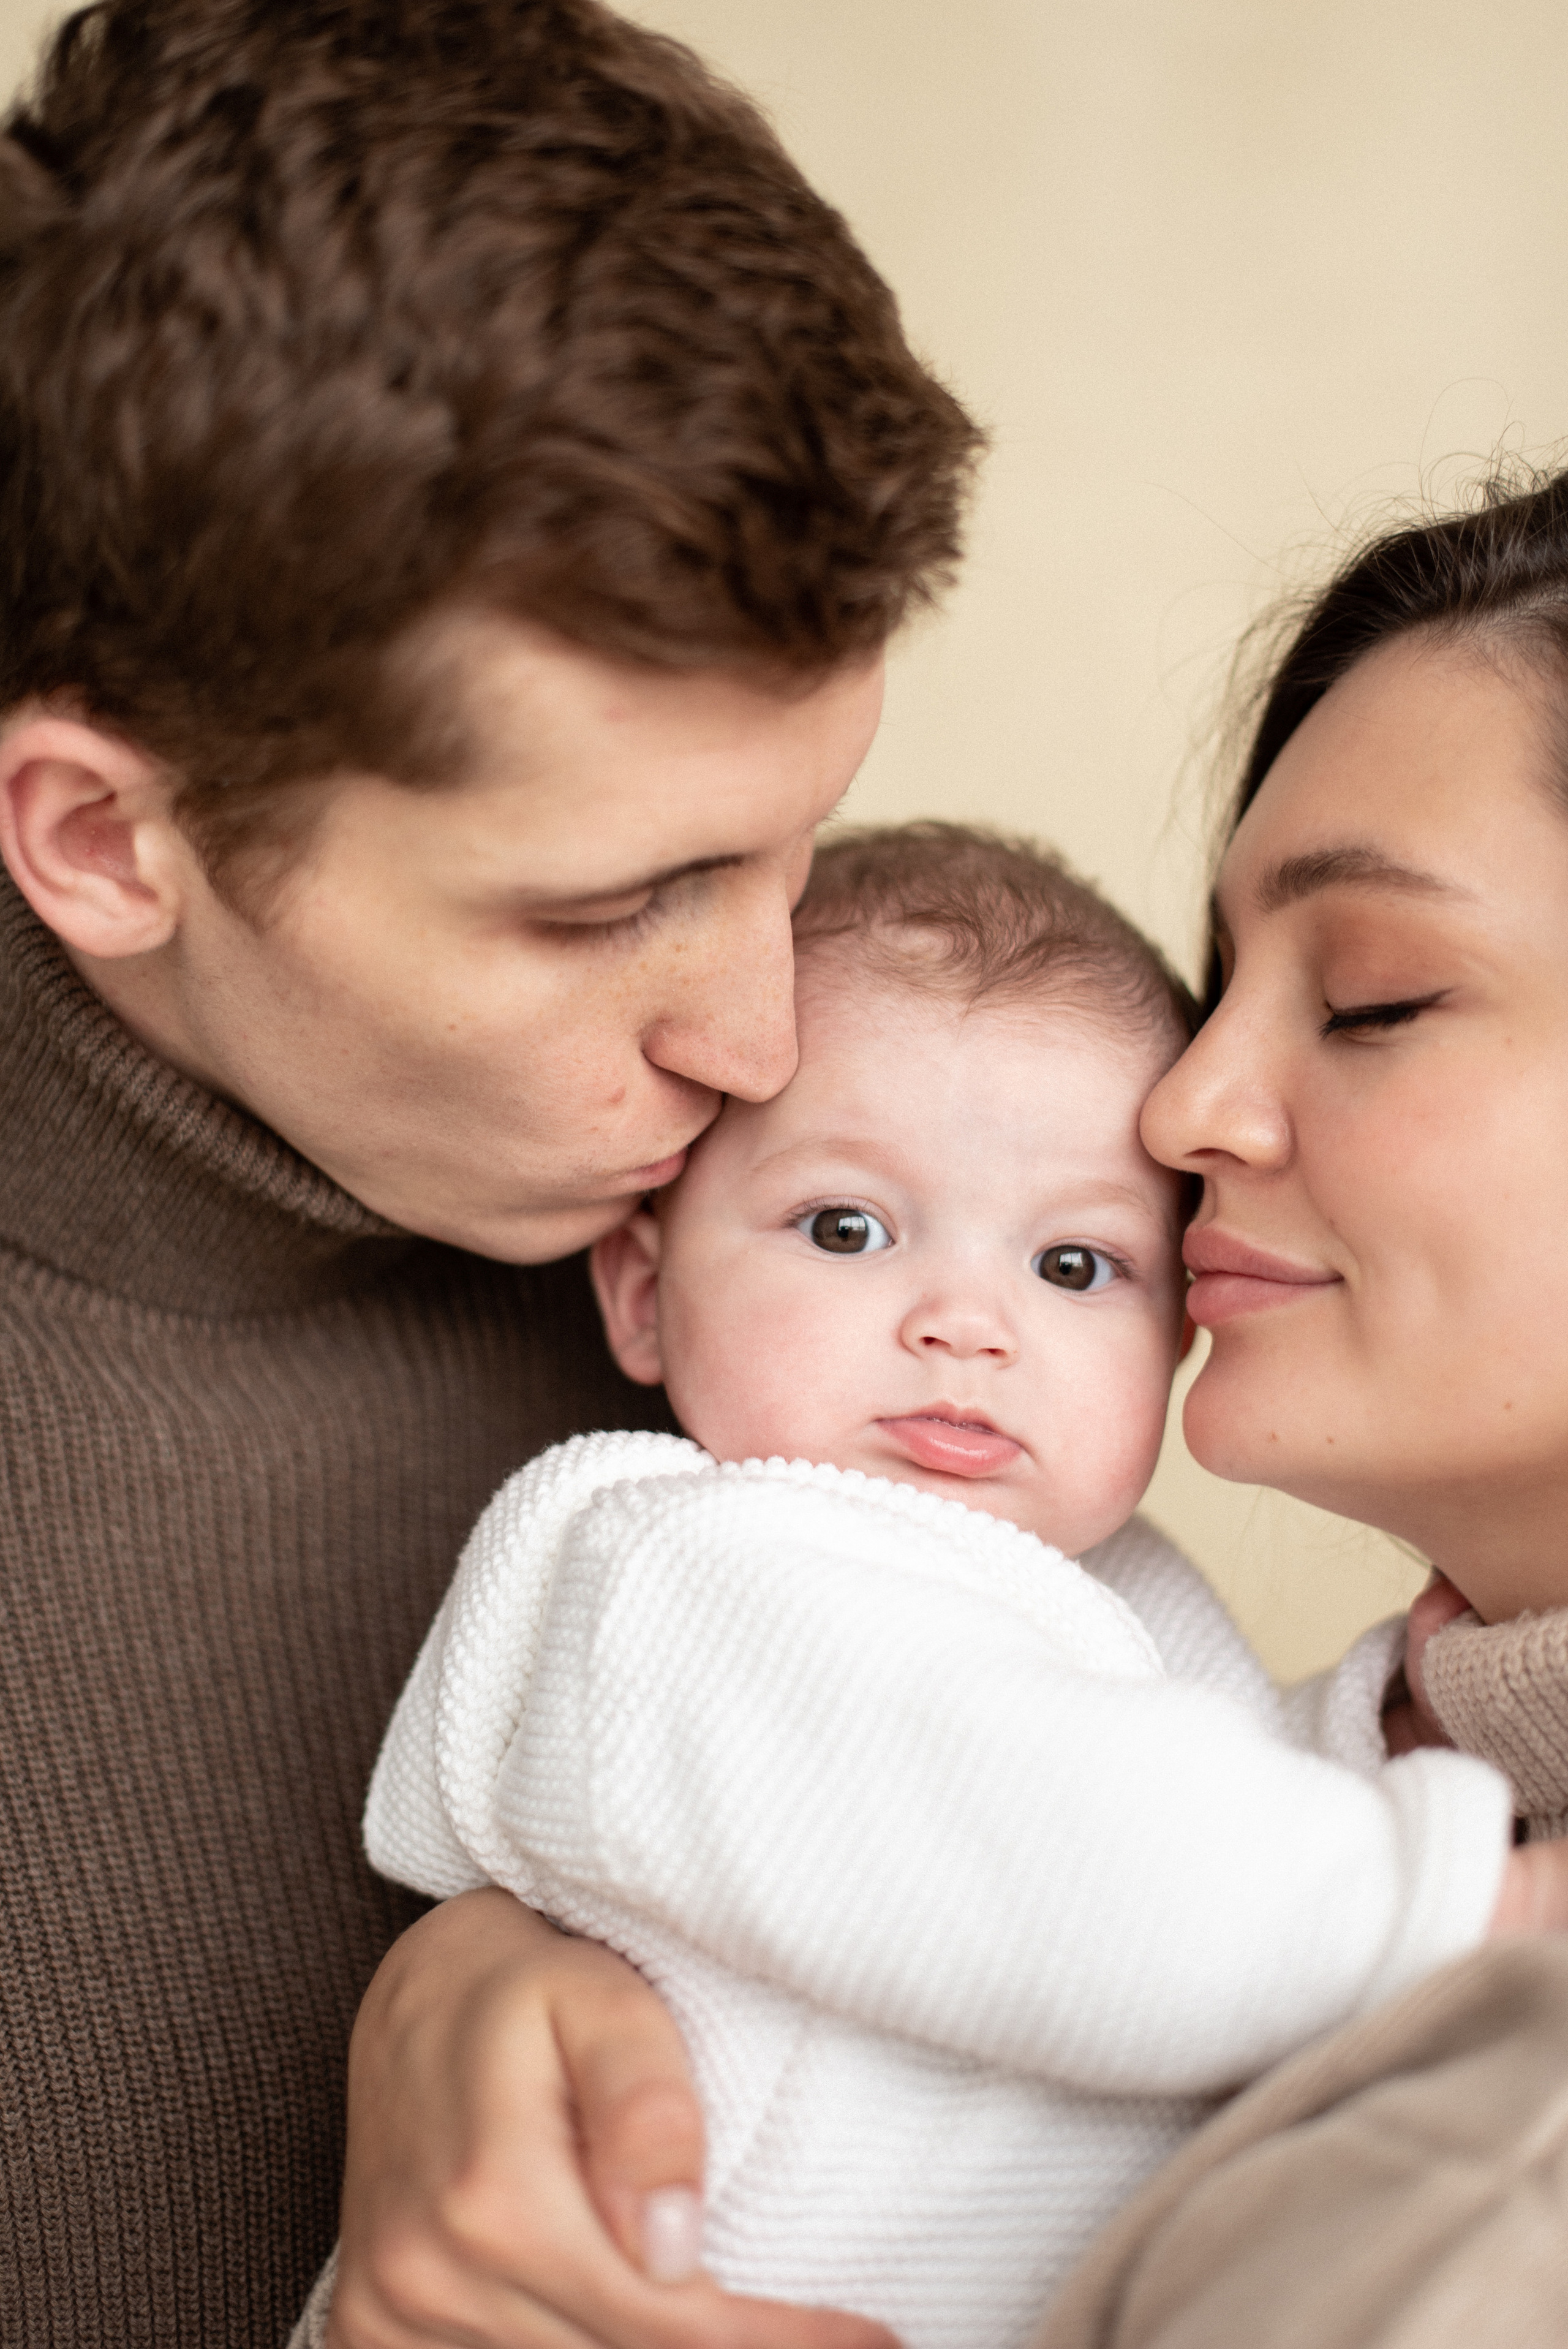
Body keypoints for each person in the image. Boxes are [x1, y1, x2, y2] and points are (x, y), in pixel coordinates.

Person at [0, 0, 981, 2339]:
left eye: (792, 842)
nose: (757, 1043)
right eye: (602, 906)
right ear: (103, 838)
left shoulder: (812, 1213)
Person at [307, 825, 1559, 2349]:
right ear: (643, 1292)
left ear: (1178, 1328)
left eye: (1077, 1266)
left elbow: (1193, 1794)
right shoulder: (687, 1575)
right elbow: (1056, 1840)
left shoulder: (1094, 1590)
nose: (965, 1324)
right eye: (846, 1227)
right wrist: (1468, 1896)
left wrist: (1385, 1731)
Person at [1028, 461, 1568, 2348]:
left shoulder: (1518, 2163)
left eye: (1370, 997)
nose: (1182, 1108)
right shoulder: (1276, 1805)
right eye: (1220, 980)